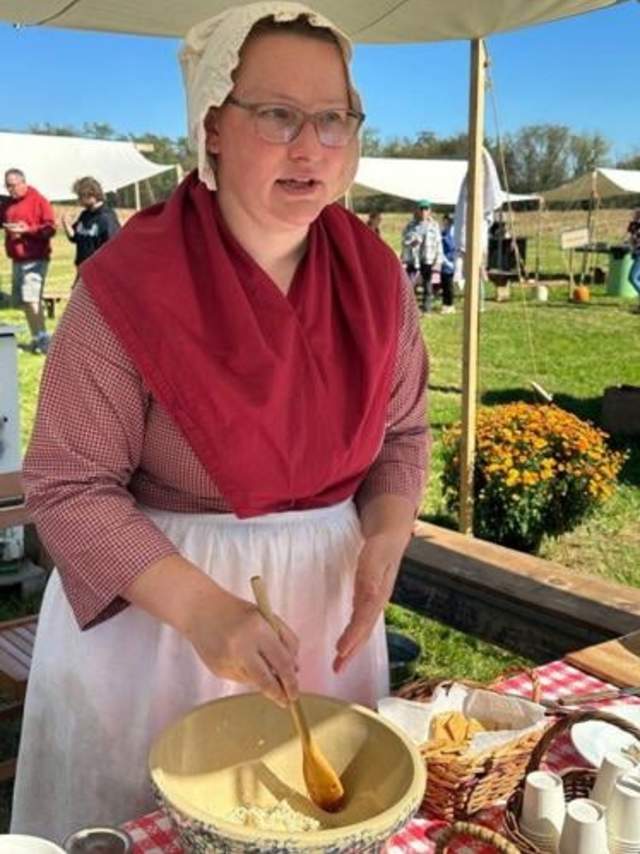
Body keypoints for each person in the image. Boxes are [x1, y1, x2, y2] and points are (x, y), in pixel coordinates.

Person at [11, 2, 429, 842]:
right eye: (277, 114)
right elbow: (68, 487)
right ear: (212, 128)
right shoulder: (127, 283)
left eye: (334, 118)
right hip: (160, 622)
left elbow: (403, 438)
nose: (310, 145)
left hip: (323, 610)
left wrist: (384, 539)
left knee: (315, 822)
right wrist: (207, 613)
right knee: (156, 821)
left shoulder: (378, 276)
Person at [0, 169, 55, 353]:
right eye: (7, 185)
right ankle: (37, 336)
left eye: (13, 185)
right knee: (21, 301)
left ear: (23, 182)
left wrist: (27, 230)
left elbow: (50, 229)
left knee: (31, 298)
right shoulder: (8, 204)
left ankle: (44, 340)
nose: (10, 189)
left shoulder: (39, 200)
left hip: (36, 258)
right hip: (17, 258)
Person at [62, 176, 121, 280]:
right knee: (77, 296)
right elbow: (75, 237)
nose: (78, 200)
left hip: (100, 273)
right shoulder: (85, 215)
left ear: (91, 194)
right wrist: (66, 224)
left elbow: (114, 248)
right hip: (82, 271)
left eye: (81, 196)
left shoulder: (107, 218)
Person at [401, 199, 442, 313]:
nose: (424, 211)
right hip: (413, 260)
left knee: (427, 284)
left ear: (430, 211)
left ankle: (427, 308)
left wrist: (438, 260)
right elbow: (404, 240)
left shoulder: (434, 225)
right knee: (410, 285)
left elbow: (438, 243)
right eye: (421, 208)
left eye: (426, 208)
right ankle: (409, 309)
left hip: (427, 258)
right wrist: (411, 241)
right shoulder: (411, 225)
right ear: (417, 211)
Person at [440, 214, 456, 314]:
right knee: (446, 285)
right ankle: (446, 305)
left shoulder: (455, 232)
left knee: (450, 285)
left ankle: (450, 305)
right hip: (445, 262)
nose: (447, 222)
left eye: (449, 220)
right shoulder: (442, 233)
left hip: (454, 261)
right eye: (446, 220)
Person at [627, 208, 640, 311]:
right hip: (636, 253)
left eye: (636, 214)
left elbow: (634, 238)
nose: (634, 215)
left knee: (632, 278)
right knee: (638, 279)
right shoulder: (634, 225)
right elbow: (631, 237)